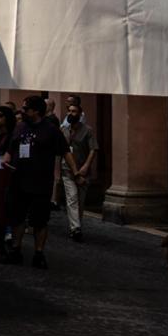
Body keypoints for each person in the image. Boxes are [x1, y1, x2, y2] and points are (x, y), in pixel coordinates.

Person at [3, 95, 72, 269]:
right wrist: (7, 159)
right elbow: (11, 148)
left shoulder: (50, 130)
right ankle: (16, 250)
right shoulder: (20, 128)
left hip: (40, 182)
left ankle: (39, 253)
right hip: (19, 180)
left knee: (40, 220)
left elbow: (65, 151)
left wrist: (76, 171)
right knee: (17, 218)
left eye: (26, 109)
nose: (23, 111)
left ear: (36, 111)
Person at [58, 96, 96, 243]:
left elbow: (93, 149)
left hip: (83, 170)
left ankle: (77, 224)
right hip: (67, 170)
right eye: (70, 111)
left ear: (80, 114)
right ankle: (75, 228)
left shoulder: (88, 130)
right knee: (72, 198)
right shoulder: (64, 130)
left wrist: (86, 166)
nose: (71, 113)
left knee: (80, 201)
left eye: (74, 111)